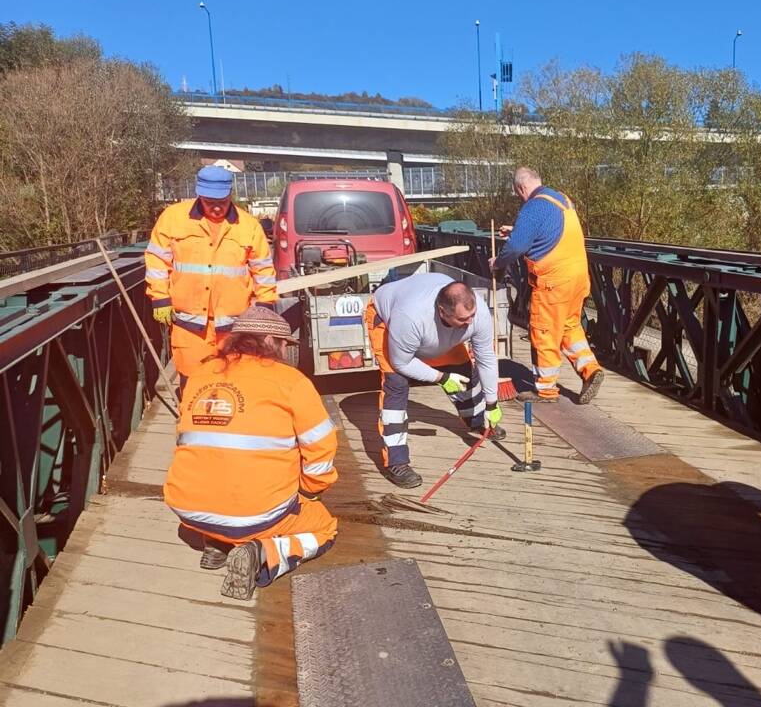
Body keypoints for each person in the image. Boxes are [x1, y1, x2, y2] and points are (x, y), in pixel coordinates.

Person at [163, 306, 338, 601]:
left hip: (188, 510)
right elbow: (321, 448)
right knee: (325, 527)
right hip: (255, 516)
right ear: (270, 340)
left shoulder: (201, 374)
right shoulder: (291, 382)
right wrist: (310, 490)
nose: (285, 351)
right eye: (284, 344)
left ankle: (216, 542)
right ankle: (262, 554)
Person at [145, 165, 277, 397]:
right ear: (199, 195)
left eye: (222, 202)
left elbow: (263, 269)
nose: (216, 207)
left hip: (234, 326)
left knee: (235, 384)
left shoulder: (248, 226)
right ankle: (191, 430)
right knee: (194, 383)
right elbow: (157, 260)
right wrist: (160, 298)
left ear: (230, 195)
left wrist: (264, 309)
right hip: (189, 325)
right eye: (209, 201)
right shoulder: (173, 219)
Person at [365, 272, 504, 489]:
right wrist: (441, 377)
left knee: (463, 370)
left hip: (433, 332)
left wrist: (492, 403)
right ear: (442, 311)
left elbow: (486, 357)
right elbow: (402, 363)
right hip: (387, 319)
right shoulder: (409, 316)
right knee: (397, 384)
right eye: (463, 319)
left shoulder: (477, 314)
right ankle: (396, 461)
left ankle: (478, 421)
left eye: (472, 316)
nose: (470, 323)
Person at [490, 166, 603, 404]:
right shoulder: (560, 199)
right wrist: (518, 230)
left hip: (554, 281)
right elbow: (549, 232)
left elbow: (517, 248)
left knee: (544, 332)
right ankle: (590, 369)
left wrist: (498, 262)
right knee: (569, 326)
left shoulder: (533, 207)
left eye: (518, 193)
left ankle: (546, 390)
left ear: (521, 188)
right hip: (578, 278)